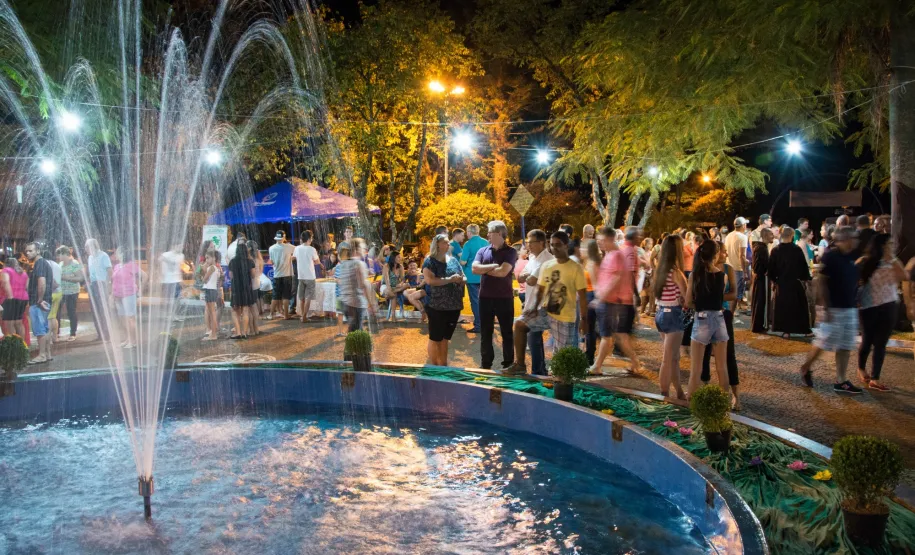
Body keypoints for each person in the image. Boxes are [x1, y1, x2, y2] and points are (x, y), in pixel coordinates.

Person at [800, 227, 863, 394]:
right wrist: (823, 307)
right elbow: (821, 281)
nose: (856, 241)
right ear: (844, 239)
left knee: (845, 344)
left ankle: (841, 380)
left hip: (849, 307)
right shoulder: (831, 256)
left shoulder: (853, 256)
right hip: (833, 308)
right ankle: (806, 368)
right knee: (823, 343)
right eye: (853, 238)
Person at [686, 240, 736, 397]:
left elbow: (688, 302)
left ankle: (691, 402)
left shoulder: (695, 275)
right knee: (722, 367)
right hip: (719, 318)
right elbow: (720, 298)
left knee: (696, 369)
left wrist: (699, 303)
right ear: (715, 255)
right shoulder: (723, 276)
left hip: (701, 319)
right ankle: (722, 404)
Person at [856, 234, 905, 391]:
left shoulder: (893, 262)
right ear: (881, 245)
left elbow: (905, 276)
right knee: (867, 341)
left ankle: (875, 378)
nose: (892, 246)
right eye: (889, 243)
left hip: (889, 305)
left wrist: (893, 260)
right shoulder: (866, 261)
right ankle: (861, 368)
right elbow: (855, 279)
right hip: (868, 306)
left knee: (881, 343)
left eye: (892, 243)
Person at [591, 226, 641, 375]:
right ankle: (634, 362)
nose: (599, 243)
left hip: (613, 301)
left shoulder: (615, 256)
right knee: (618, 336)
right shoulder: (611, 254)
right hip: (613, 301)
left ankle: (597, 366)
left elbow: (615, 278)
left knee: (609, 336)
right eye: (598, 240)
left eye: (602, 240)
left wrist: (600, 297)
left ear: (610, 239)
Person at [700, 240, 742, 409]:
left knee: (728, 355)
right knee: (704, 354)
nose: (725, 254)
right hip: (706, 315)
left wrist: (716, 300)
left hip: (722, 314)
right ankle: (704, 392)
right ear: (715, 253)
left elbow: (733, 294)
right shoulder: (703, 270)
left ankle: (736, 397)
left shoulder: (727, 269)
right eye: (723, 251)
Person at [472, 220, 518, 370]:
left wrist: (483, 269)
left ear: (499, 234)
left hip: (504, 299)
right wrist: (492, 266)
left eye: (490, 233)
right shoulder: (483, 250)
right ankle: (486, 364)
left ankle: (508, 364)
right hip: (485, 298)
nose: (488, 236)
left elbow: (503, 272)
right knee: (486, 333)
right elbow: (474, 268)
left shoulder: (511, 252)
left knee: (506, 333)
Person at [507, 229, 554, 376]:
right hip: (531, 303)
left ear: (541, 243)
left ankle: (524, 366)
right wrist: (527, 276)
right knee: (534, 339)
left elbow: (531, 279)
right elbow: (520, 277)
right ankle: (538, 370)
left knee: (522, 327)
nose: (528, 245)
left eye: (531, 242)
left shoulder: (547, 259)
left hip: (542, 305)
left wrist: (527, 276)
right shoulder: (533, 258)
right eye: (527, 242)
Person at [535, 231, 587, 358]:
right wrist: (535, 308)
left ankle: (565, 374)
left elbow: (583, 296)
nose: (554, 248)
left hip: (566, 317)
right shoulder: (547, 266)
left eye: (557, 244)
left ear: (566, 245)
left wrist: (584, 320)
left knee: (565, 353)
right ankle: (522, 364)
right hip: (549, 313)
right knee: (522, 326)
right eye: (552, 245)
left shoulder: (575, 267)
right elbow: (541, 290)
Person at [653, 235, 688, 400]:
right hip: (673, 315)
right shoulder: (676, 272)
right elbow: (688, 297)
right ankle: (664, 395)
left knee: (673, 357)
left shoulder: (660, 271)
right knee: (668, 359)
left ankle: (679, 392)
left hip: (661, 314)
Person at [422, 234, 466, 365]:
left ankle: (444, 365)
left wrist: (460, 280)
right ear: (437, 245)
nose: (449, 245)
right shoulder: (430, 261)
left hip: (454, 306)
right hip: (437, 306)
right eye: (446, 243)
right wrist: (450, 280)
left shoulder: (453, 260)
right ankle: (434, 366)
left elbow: (464, 278)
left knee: (446, 338)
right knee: (436, 337)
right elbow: (430, 280)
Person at [768, 226, 812, 337]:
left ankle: (785, 331)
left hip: (781, 283)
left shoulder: (775, 250)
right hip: (794, 283)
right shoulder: (796, 250)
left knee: (783, 308)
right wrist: (805, 279)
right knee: (799, 307)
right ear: (791, 236)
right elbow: (803, 267)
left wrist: (774, 280)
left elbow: (771, 269)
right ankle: (804, 330)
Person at [336, 240, 376, 332]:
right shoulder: (359, 264)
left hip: (344, 302)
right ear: (356, 249)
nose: (364, 250)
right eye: (363, 248)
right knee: (357, 332)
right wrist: (371, 304)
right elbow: (363, 285)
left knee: (353, 329)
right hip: (356, 303)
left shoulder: (343, 264)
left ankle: (352, 343)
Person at [110, 246, 144, 350]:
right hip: (118, 296)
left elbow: (145, 276)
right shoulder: (117, 266)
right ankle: (127, 339)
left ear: (123, 254)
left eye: (118, 252)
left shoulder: (131, 265)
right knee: (122, 318)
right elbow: (114, 281)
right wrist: (112, 295)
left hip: (129, 294)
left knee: (130, 318)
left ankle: (133, 341)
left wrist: (140, 289)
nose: (116, 254)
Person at [25, 242, 54, 363]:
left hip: (38, 302)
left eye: (30, 251)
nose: (27, 253)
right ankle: (47, 354)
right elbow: (54, 283)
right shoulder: (44, 263)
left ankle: (42, 355)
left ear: (38, 251)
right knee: (45, 328)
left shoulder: (39, 263)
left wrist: (40, 299)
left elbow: (41, 282)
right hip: (44, 300)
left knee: (39, 329)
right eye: (26, 251)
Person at [460, 224, 487, 333]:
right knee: (485, 300)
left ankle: (478, 325)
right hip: (484, 275)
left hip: (471, 276)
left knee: (475, 301)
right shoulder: (486, 242)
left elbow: (463, 261)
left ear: (469, 232)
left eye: (467, 232)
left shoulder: (468, 244)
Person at [85, 238, 112, 342]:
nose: (85, 249)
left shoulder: (103, 256)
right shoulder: (90, 257)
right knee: (95, 310)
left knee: (103, 310)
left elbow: (109, 270)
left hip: (101, 284)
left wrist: (109, 284)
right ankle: (100, 334)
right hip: (93, 284)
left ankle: (107, 334)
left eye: (87, 247)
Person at [228, 241, 256, 339]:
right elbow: (253, 275)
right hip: (246, 288)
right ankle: (245, 333)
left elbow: (231, 276)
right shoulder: (250, 262)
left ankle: (238, 332)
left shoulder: (232, 262)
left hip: (236, 288)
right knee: (245, 310)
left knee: (234, 310)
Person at [580, 240, 601, 365]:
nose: (581, 250)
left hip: (590, 295)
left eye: (583, 248)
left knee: (589, 328)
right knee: (590, 328)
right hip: (590, 294)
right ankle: (589, 353)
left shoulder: (591, 264)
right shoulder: (591, 262)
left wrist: (595, 299)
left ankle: (589, 355)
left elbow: (595, 283)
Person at [293, 231, 321, 322]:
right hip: (310, 276)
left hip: (301, 276)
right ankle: (304, 316)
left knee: (301, 297)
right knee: (308, 297)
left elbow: (295, 258)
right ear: (309, 239)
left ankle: (302, 315)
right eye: (311, 237)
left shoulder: (297, 248)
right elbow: (317, 262)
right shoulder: (312, 249)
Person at [749, 228, 774, 333]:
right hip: (762, 279)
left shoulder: (761, 247)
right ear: (766, 236)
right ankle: (760, 325)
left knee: (760, 301)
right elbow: (758, 266)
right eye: (771, 234)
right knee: (761, 301)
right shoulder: (761, 249)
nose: (773, 236)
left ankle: (758, 324)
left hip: (761, 278)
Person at [56, 246, 83, 342]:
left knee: (71, 311)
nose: (58, 257)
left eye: (60, 255)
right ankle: (56, 333)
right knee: (56, 312)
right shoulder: (60, 264)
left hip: (72, 292)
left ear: (65, 254)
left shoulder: (75, 263)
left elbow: (80, 278)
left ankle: (73, 333)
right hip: (61, 291)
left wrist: (66, 278)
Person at [0, 252, 29, 339]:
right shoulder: (23, 273)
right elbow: (27, 286)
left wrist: (10, 297)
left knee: (9, 323)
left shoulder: (6, 270)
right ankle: (22, 344)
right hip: (23, 299)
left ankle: (13, 346)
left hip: (12, 298)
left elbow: (5, 282)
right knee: (19, 323)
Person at [725, 217, 750, 315]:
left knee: (728, 293)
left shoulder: (729, 235)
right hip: (737, 269)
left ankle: (727, 315)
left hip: (728, 267)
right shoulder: (742, 237)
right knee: (735, 295)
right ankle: (730, 317)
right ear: (743, 225)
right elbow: (742, 255)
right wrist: (745, 272)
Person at [268, 231, 295, 320]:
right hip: (287, 275)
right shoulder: (289, 247)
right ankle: (286, 315)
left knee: (275, 296)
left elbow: (271, 261)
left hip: (277, 275)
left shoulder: (271, 248)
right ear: (284, 238)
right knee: (286, 296)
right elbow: (297, 251)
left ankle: (271, 314)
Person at [201, 250, 223, 341]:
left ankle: (213, 334)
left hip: (209, 290)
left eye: (208, 258)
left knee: (212, 312)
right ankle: (213, 332)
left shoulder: (212, 268)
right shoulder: (216, 268)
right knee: (212, 312)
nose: (206, 260)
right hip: (212, 290)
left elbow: (204, 279)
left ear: (214, 258)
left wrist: (203, 276)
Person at [382, 250, 409, 321]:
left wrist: (401, 283)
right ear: (393, 258)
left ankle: (393, 316)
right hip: (386, 285)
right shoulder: (386, 266)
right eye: (398, 257)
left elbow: (403, 279)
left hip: (396, 286)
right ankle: (393, 316)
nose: (400, 259)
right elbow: (387, 279)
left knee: (406, 284)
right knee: (393, 295)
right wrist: (389, 288)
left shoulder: (400, 267)